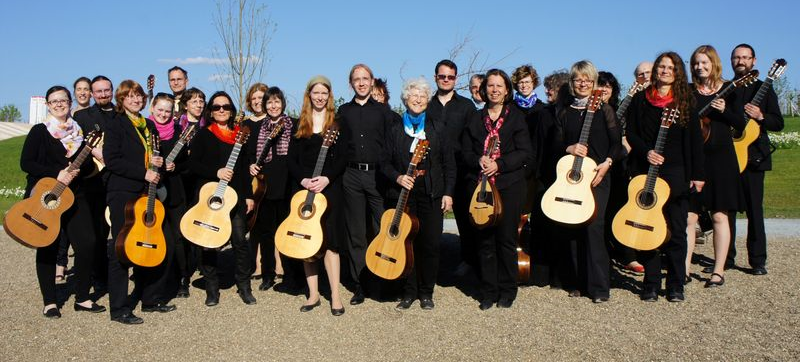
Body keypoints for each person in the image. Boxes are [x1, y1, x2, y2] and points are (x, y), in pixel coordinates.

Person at [625, 52, 704, 302]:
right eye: (661, 66)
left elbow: (694, 141)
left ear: (678, 72)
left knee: (677, 230)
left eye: (670, 67)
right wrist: (645, 151)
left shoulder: (685, 101)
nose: (665, 71)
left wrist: (697, 174)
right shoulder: (640, 100)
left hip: (676, 172)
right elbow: (632, 134)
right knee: (647, 227)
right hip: (646, 170)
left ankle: (676, 284)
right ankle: (650, 283)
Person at [20, 85, 105, 318]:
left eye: (63, 100)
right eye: (54, 101)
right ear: (47, 105)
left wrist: (79, 164)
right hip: (46, 195)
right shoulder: (40, 131)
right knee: (47, 244)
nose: (59, 104)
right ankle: (50, 301)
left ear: (70, 103)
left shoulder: (80, 133)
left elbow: (89, 166)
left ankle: (82, 297)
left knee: (87, 243)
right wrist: (56, 172)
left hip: (76, 195)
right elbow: (27, 163)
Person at [548, 61, 620, 303]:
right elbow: (554, 145)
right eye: (579, 79)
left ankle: (599, 287)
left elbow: (617, 144)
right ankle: (576, 282)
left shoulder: (604, 110)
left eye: (588, 80)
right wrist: (569, 147)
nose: (583, 84)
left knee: (593, 227)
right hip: (573, 176)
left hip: (598, 176)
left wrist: (607, 163)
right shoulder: (564, 112)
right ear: (572, 82)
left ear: (594, 83)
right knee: (573, 227)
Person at [381, 77, 455, 310]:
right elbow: (383, 162)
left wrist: (448, 193)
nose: (418, 99)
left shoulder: (437, 127)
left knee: (430, 243)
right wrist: (398, 176)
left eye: (423, 96)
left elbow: (448, 163)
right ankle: (408, 291)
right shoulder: (394, 128)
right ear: (405, 99)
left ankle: (426, 292)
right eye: (414, 95)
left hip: (431, 192)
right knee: (405, 243)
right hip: (403, 193)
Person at [104, 80, 174, 324]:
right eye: (130, 96)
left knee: (154, 243)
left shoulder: (149, 127)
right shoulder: (115, 124)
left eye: (139, 96)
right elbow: (112, 160)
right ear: (121, 99)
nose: (136, 100)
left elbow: (154, 162)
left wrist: (160, 167)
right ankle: (120, 308)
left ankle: (151, 299)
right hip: (123, 192)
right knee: (122, 248)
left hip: (147, 193)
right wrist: (143, 173)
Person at [462, 69, 533, 310]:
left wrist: (499, 164)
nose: (494, 90)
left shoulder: (516, 118)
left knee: (505, 239)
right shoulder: (474, 118)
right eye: (490, 85)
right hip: (481, 186)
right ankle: (488, 290)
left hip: (508, 185)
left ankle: (507, 289)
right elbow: (465, 151)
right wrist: (478, 160)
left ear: (506, 90)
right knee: (484, 240)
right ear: (484, 90)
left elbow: (525, 153)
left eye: (499, 85)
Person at [286, 76, 348, 316]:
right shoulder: (299, 123)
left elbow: (343, 157)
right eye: (316, 93)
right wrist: (303, 179)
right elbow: (291, 159)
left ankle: (335, 295)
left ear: (329, 95)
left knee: (331, 243)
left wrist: (326, 178)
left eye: (324, 93)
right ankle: (313, 295)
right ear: (309, 95)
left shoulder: (339, 123)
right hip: (304, 189)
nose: (320, 97)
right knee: (306, 241)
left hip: (329, 188)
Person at [187, 91, 255, 307]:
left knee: (239, 241)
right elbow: (192, 165)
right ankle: (212, 288)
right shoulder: (204, 135)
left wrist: (249, 196)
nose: (222, 110)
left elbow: (245, 169)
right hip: (210, 197)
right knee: (208, 244)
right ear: (211, 111)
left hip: (235, 198)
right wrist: (215, 172)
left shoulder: (239, 135)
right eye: (217, 107)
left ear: (232, 110)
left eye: (225, 106)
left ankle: (244, 286)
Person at [686, 45, 743, 287]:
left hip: (722, 160)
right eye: (696, 63)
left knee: (720, 216)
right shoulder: (688, 92)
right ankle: (684, 270)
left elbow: (741, 123)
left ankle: (718, 271)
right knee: (689, 217)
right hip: (695, 159)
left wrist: (725, 111)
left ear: (714, 63)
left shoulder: (730, 90)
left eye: (704, 62)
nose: (700, 67)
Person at [726, 44, 784, 275]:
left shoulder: (765, 89)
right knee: (726, 210)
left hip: (754, 158)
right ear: (731, 61)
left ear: (754, 61)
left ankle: (757, 260)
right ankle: (727, 257)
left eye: (745, 57)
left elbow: (778, 122)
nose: (741, 61)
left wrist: (761, 116)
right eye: (736, 57)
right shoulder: (727, 89)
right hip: (728, 157)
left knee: (754, 211)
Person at [337, 64, 392, 304]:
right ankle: (360, 284)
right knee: (356, 233)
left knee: (382, 230)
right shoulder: (343, 111)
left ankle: (383, 280)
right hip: (351, 177)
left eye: (365, 78)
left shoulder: (384, 112)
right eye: (356, 79)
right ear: (351, 83)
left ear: (372, 81)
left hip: (377, 177)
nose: (361, 83)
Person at [426, 60, 478, 278]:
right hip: (434, 171)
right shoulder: (427, 105)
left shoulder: (466, 106)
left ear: (456, 79)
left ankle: (469, 262)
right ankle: (432, 267)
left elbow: (474, 139)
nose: (446, 80)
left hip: (462, 171)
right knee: (433, 221)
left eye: (450, 77)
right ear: (436, 77)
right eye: (442, 76)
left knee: (466, 220)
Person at [596, 71, 645, 276]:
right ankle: (603, 257)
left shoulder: (620, 110)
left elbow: (628, 136)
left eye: (608, 86)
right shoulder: (590, 111)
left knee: (620, 211)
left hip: (618, 168)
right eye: (601, 85)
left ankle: (628, 255)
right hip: (597, 168)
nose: (604, 89)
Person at [247, 86, 294, 291]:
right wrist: (251, 164)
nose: (273, 106)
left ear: (282, 104)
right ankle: (268, 273)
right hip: (265, 185)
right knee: (266, 232)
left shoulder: (294, 125)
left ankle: (291, 273)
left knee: (287, 230)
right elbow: (250, 154)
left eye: (277, 101)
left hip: (287, 184)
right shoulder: (260, 128)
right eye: (269, 102)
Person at [73, 75, 115, 294]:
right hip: (91, 179)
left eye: (106, 90)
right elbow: (73, 146)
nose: (102, 94)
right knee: (95, 231)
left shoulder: (120, 114)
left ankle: (114, 272)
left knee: (113, 228)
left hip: (115, 179)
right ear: (91, 93)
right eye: (98, 91)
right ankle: (96, 275)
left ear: (112, 90)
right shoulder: (81, 117)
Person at [147, 93, 189, 298]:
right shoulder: (146, 129)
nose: (163, 114)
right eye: (160, 109)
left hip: (174, 188)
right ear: (152, 108)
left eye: (168, 110)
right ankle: (156, 278)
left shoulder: (180, 131)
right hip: (151, 189)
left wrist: (176, 165)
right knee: (156, 234)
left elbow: (187, 163)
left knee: (178, 237)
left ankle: (182, 278)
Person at [174, 87, 205, 298]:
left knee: (202, 226)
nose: (199, 104)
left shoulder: (208, 126)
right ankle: (183, 276)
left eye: (201, 101)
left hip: (202, 182)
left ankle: (205, 267)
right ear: (185, 105)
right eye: (194, 101)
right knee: (181, 229)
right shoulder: (177, 126)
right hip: (181, 182)